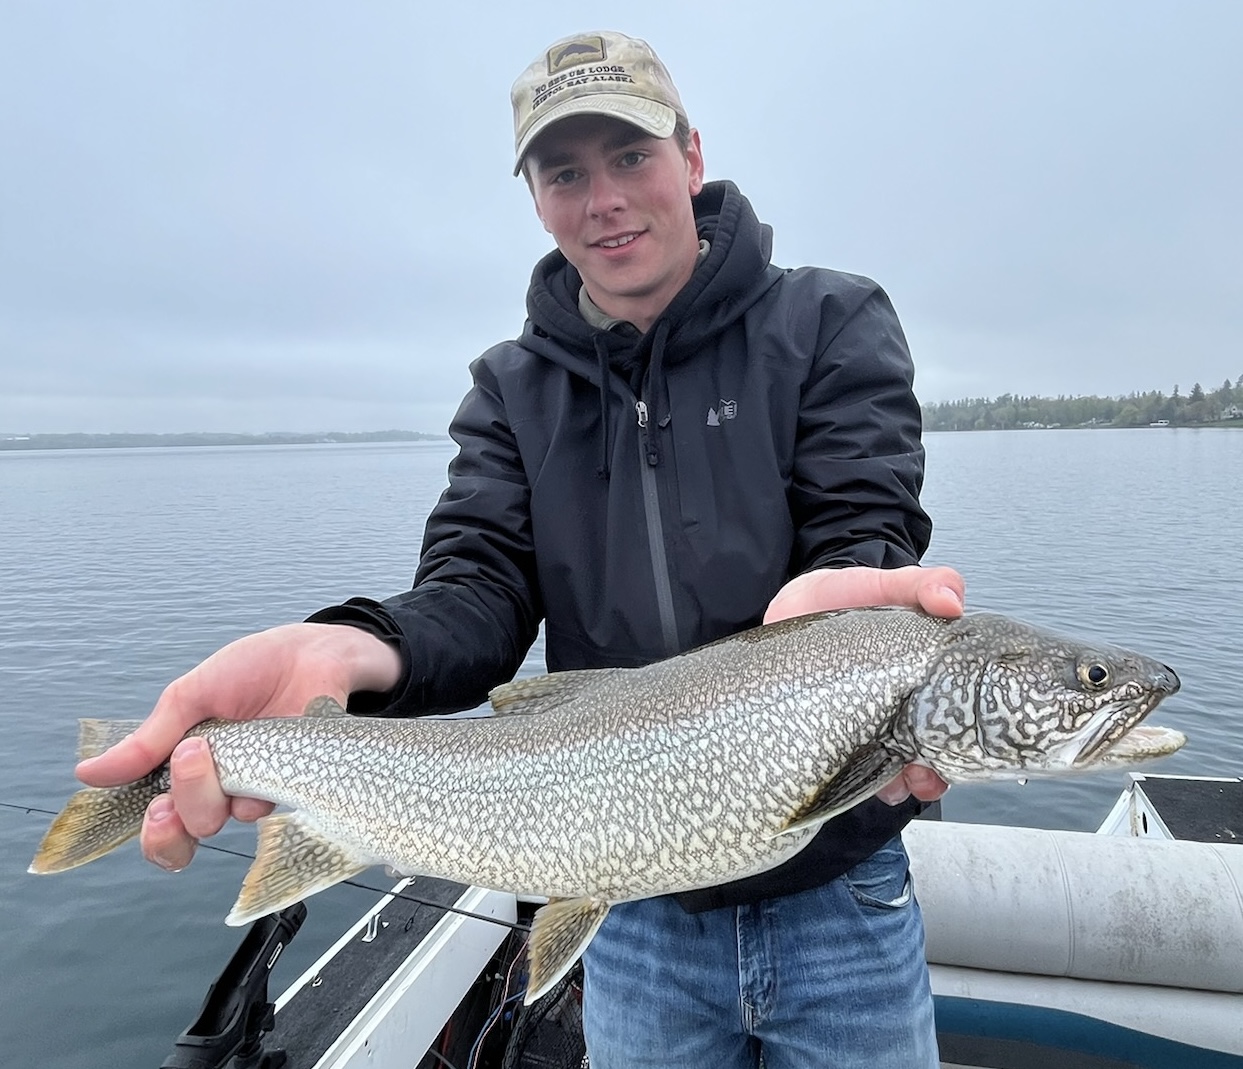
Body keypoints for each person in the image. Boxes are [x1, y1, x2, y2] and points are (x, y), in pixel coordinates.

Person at [78, 30, 963, 1069]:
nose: (605, 199)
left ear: (690, 156)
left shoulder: (829, 320)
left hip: (839, 888)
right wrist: (359, 645)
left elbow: (865, 520)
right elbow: (476, 590)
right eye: (565, 174)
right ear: (537, 201)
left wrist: (851, 601)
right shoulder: (512, 389)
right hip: (621, 899)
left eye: (629, 156)